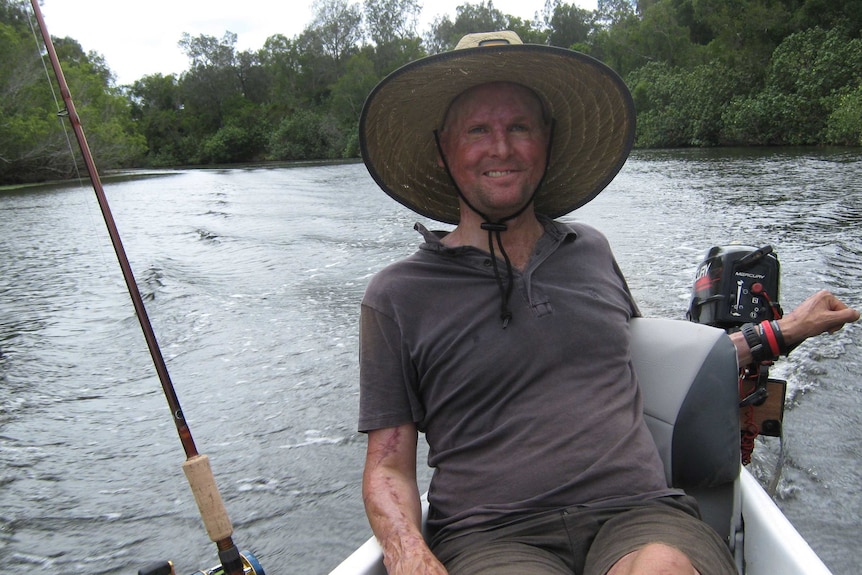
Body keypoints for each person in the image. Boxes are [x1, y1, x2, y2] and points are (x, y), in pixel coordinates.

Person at [356, 31, 859, 575]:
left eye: (519, 127)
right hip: (490, 535)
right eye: (478, 129)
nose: (500, 147)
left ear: (546, 142)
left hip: (640, 514)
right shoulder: (397, 296)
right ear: (442, 148)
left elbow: (650, 364)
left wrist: (785, 330)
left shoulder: (591, 250)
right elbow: (387, 467)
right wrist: (409, 557)